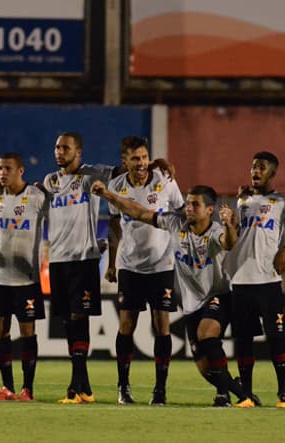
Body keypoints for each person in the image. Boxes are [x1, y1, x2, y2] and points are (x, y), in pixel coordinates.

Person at [93, 181, 255, 407]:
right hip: (192, 304)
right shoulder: (174, 223)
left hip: (218, 295)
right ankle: (241, 392)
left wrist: (228, 225)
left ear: (210, 210)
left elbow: (228, 243)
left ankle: (223, 395)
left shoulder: (216, 231)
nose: (188, 208)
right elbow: (139, 211)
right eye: (187, 203)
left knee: (206, 334)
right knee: (206, 369)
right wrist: (107, 195)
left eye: (195, 205)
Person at [105, 136, 185, 405]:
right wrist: (112, 262)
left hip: (162, 264)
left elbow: (182, 213)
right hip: (130, 266)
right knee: (127, 325)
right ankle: (123, 387)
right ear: (124, 161)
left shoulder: (164, 180)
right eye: (135, 158)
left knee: (162, 326)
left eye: (144, 157)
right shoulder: (115, 186)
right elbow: (115, 226)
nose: (141, 163)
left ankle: (159, 390)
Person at [224, 151, 285, 409]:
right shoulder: (243, 200)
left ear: (273, 173)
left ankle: (284, 394)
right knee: (243, 340)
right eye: (253, 166)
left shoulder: (283, 203)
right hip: (240, 281)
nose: (255, 171)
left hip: (268, 281)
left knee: (276, 337)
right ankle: (246, 394)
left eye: (261, 167)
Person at [42, 132, 116, 404]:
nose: (60, 152)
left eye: (66, 148)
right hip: (58, 260)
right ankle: (83, 388)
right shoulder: (50, 182)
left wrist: (154, 166)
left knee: (78, 318)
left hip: (83, 259)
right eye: (57, 147)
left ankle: (76, 386)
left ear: (78, 152)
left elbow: (124, 171)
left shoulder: (90, 176)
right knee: (67, 322)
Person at [0, 153, 49, 401]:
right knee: (0, 332)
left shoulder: (36, 197)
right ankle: (7, 387)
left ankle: (27, 389)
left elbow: (60, 217)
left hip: (26, 280)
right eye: (0, 168)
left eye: (8, 168)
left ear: (21, 170)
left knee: (27, 333)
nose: (2, 172)